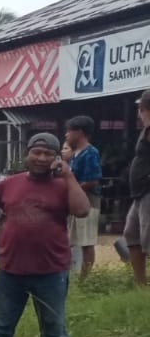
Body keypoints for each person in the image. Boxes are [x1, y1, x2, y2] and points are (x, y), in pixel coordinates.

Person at [0, 132, 89, 337]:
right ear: (27, 154)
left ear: (57, 158)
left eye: (48, 153)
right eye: (36, 152)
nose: (41, 158)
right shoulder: (9, 184)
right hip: (11, 269)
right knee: (1, 328)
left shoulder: (63, 185)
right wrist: (0, 234)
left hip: (51, 271)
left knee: (54, 331)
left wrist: (68, 175)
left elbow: (82, 210)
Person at [61, 116, 102, 278]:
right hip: (74, 202)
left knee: (86, 242)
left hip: (88, 201)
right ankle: (70, 273)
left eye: (69, 131)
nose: (66, 135)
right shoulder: (74, 154)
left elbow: (92, 180)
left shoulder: (90, 152)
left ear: (79, 132)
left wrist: (74, 190)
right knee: (71, 240)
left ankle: (85, 278)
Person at [122, 91, 150, 288]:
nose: (139, 113)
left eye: (141, 109)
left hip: (148, 191)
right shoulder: (145, 130)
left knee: (149, 239)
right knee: (131, 234)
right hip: (139, 193)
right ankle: (140, 285)